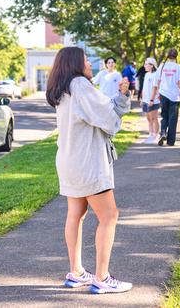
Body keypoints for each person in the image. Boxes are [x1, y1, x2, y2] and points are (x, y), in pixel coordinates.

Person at [45, 47, 133, 294]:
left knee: (77, 215)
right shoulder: (81, 85)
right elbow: (108, 119)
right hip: (88, 163)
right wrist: (121, 104)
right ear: (75, 63)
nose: (90, 64)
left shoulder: (62, 88)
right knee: (109, 216)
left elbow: (101, 110)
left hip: (69, 161)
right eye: (86, 60)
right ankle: (102, 278)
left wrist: (121, 97)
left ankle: (76, 273)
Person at [155, 48, 180, 146]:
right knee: (173, 118)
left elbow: (158, 81)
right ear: (176, 56)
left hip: (163, 93)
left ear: (167, 55)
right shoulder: (178, 67)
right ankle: (171, 141)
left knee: (164, 116)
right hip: (174, 95)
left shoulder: (162, 66)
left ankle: (163, 133)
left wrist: (159, 92)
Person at [140, 58, 160, 144]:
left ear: (152, 65)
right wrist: (142, 99)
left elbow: (154, 88)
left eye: (146, 64)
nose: (144, 66)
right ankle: (150, 136)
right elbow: (144, 88)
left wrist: (151, 100)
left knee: (153, 118)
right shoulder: (147, 74)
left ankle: (156, 136)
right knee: (148, 119)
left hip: (153, 100)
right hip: (145, 100)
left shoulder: (156, 75)